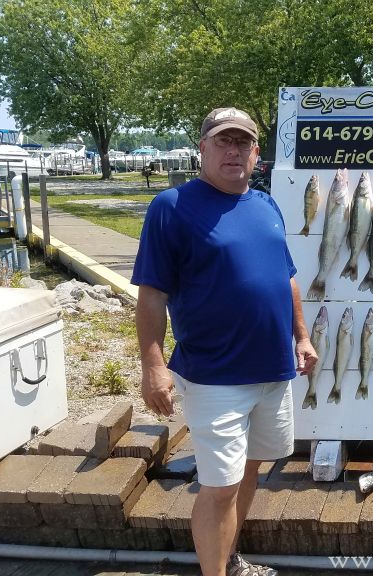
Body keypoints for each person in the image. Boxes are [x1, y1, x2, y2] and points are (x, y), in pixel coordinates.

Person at [133, 107, 318, 576]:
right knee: (219, 487)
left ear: (257, 153)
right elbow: (152, 294)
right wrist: (152, 366)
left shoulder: (265, 204)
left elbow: (287, 278)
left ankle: (230, 560)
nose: (233, 151)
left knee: (251, 470)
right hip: (214, 377)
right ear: (203, 148)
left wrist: (301, 335)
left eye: (243, 143)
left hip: (274, 371)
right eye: (223, 141)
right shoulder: (171, 207)